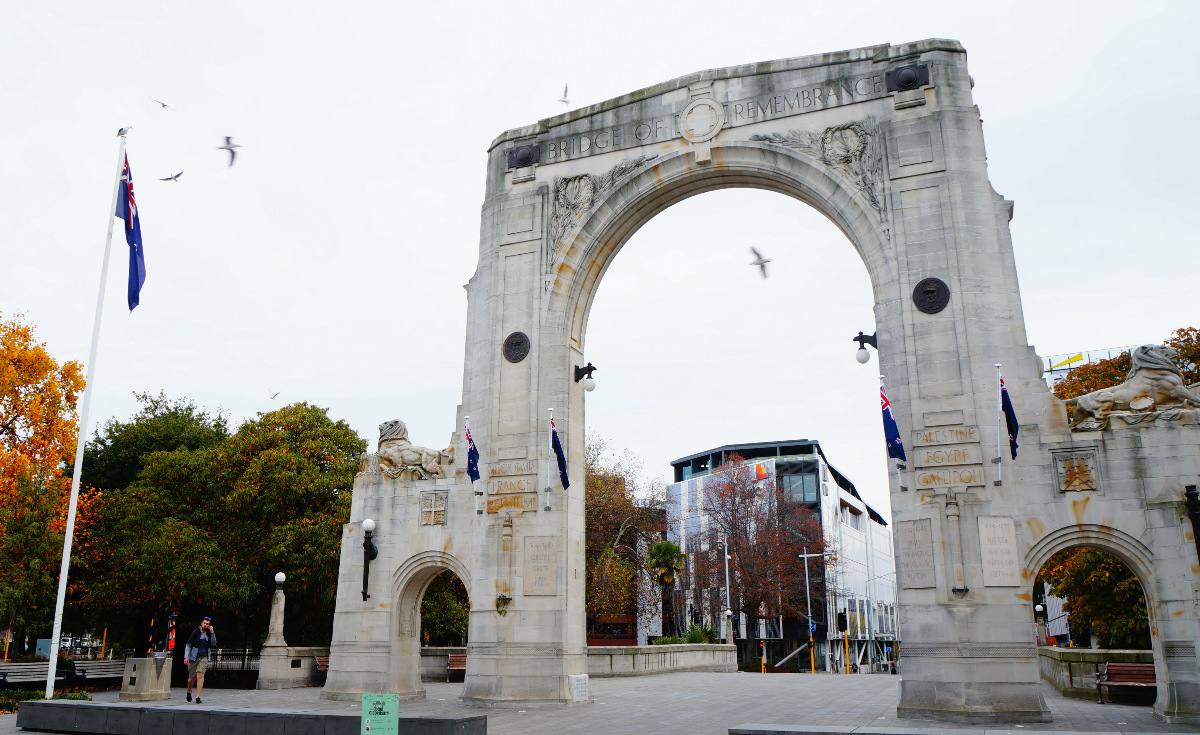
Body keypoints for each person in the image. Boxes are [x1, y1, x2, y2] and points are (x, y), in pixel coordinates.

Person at [184, 617, 216, 703]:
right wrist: (186, 657)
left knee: (200, 674)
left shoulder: (209, 633)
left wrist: (212, 632)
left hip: (204, 657)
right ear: (202, 623)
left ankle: (198, 696)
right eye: (204, 623)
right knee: (192, 677)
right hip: (193, 657)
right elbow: (188, 645)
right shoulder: (196, 632)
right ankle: (189, 691)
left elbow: (213, 644)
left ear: (209, 625)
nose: (205, 625)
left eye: (207, 624)